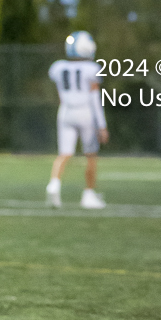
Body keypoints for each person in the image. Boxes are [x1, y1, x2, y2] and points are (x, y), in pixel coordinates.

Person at [46, 31, 109, 209]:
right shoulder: (92, 69)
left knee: (64, 153)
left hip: (65, 111)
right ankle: (88, 194)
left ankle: (54, 185)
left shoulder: (58, 67)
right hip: (85, 112)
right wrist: (102, 125)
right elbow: (95, 99)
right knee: (90, 155)